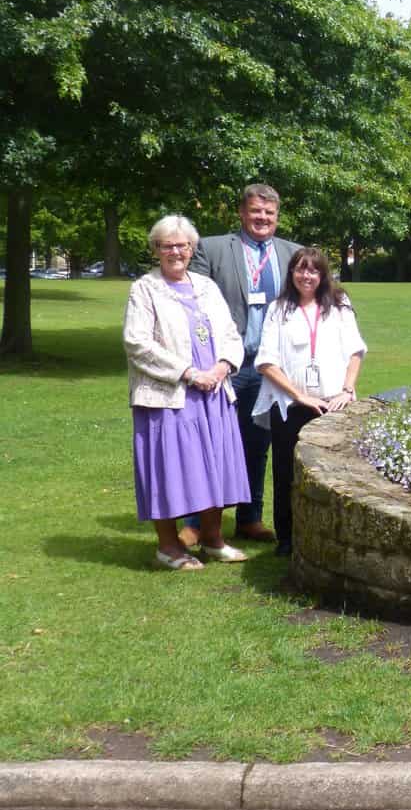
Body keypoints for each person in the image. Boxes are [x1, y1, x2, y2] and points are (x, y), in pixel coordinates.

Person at [123, 216, 251, 570]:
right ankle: (168, 547)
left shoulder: (207, 286)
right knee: (169, 471)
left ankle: (213, 539)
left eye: (182, 245)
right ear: (156, 250)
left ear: (192, 249)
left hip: (214, 392)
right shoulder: (144, 289)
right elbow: (137, 343)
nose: (175, 251)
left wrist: (223, 366)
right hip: (169, 396)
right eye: (167, 245)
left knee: (215, 467)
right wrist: (189, 373)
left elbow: (230, 332)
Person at [181, 184, 301, 547]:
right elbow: (193, 301)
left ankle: (249, 518)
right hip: (222, 364)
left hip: (270, 368)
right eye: (255, 211)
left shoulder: (293, 253)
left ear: (277, 216)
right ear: (241, 213)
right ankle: (197, 522)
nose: (262, 218)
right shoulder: (214, 247)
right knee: (210, 441)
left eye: (269, 213)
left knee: (258, 443)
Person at [254, 248, 366, 556]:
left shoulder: (339, 305)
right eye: (301, 270)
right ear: (291, 273)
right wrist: (299, 395)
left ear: (322, 275)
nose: (307, 276)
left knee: (335, 474)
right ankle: (287, 539)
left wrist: (347, 389)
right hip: (290, 406)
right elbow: (266, 361)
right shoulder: (279, 309)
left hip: (333, 404)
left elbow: (355, 351)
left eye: (313, 270)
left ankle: (333, 536)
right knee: (286, 473)